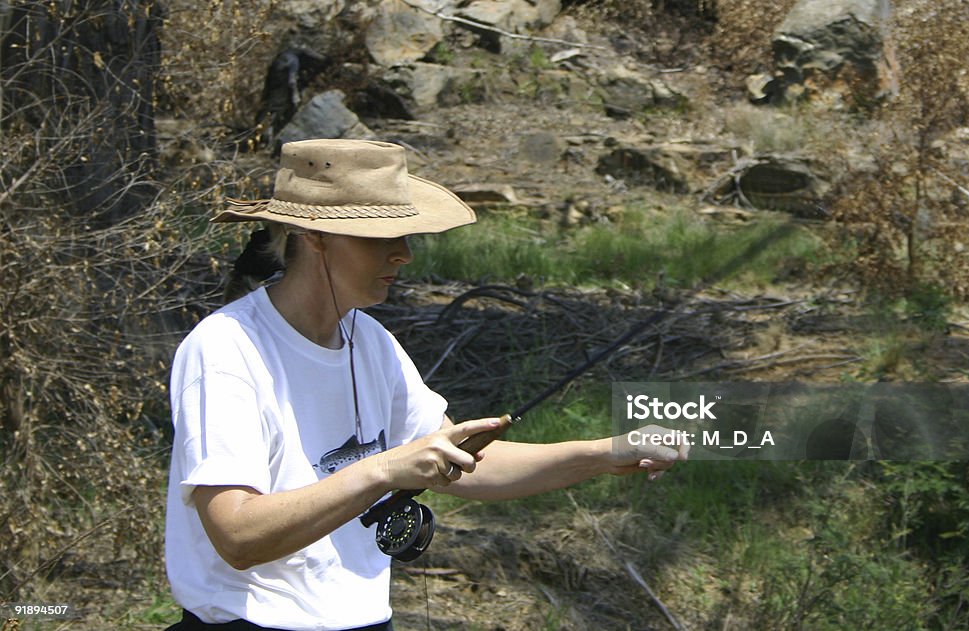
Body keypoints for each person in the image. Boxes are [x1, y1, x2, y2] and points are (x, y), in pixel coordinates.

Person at [164, 139, 684, 631]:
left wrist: (604, 452)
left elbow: (463, 463)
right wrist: (385, 469)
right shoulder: (227, 348)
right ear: (314, 236)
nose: (404, 254)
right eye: (382, 236)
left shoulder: (370, 340)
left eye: (405, 234)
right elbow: (238, 536)